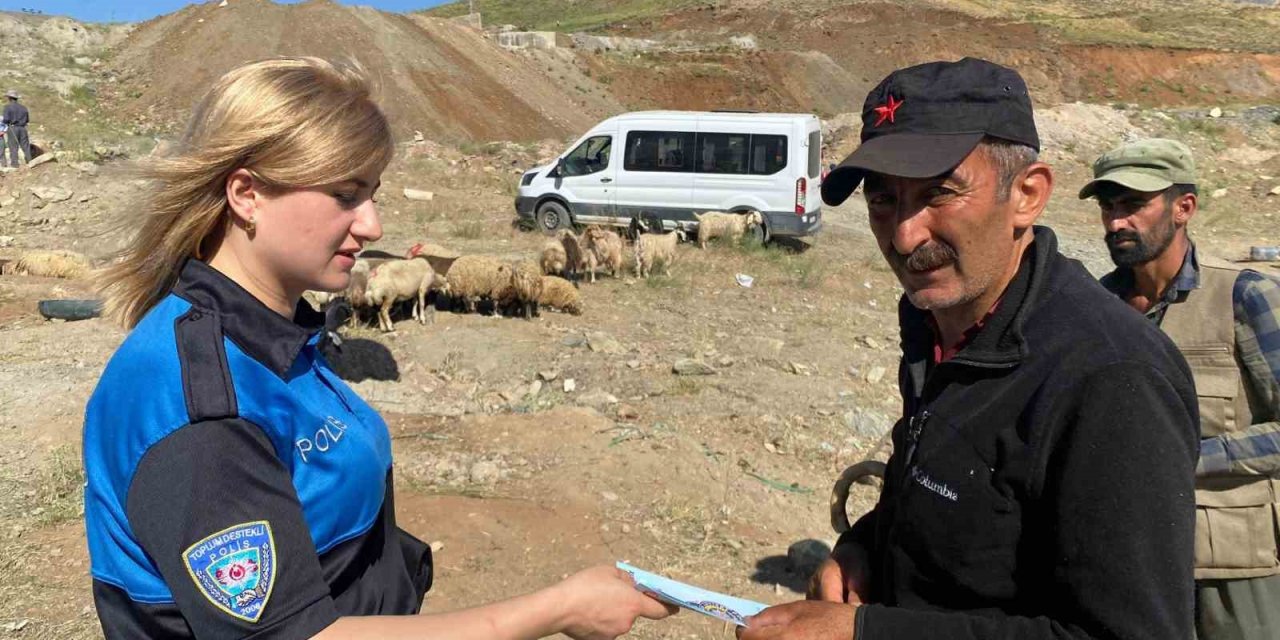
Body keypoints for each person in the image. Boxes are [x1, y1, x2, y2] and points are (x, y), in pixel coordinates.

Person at [83, 57, 674, 639]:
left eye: (373, 193)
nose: (373, 225)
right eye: (346, 194)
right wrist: (557, 610)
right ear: (247, 195)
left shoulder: (274, 334)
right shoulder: (204, 413)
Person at [742, 58, 1200, 640]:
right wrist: (866, 549)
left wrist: (865, 632)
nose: (904, 235)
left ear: (1028, 195)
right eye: (882, 200)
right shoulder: (936, 320)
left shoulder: (1112, 378)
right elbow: (964, 496)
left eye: (940, 193)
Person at [1080, 138, 1280, 640]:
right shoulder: (1094, 307)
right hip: (1127, 562)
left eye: (1134, 204)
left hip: (1232, 566)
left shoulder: (1243, 296)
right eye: (1109, 206)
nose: (1117, 221)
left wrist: (1181, 457)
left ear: (1184, 207)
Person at [3, 89, 29, 167]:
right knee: (25, 146)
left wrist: (5, 122)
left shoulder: (7, 107)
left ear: (10, 98)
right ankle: (30, 162)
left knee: (13, 147)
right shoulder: (24, 108)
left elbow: (6, 119)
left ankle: (15, 165)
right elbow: (27, 120)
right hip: (23, 128)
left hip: (13, 128)